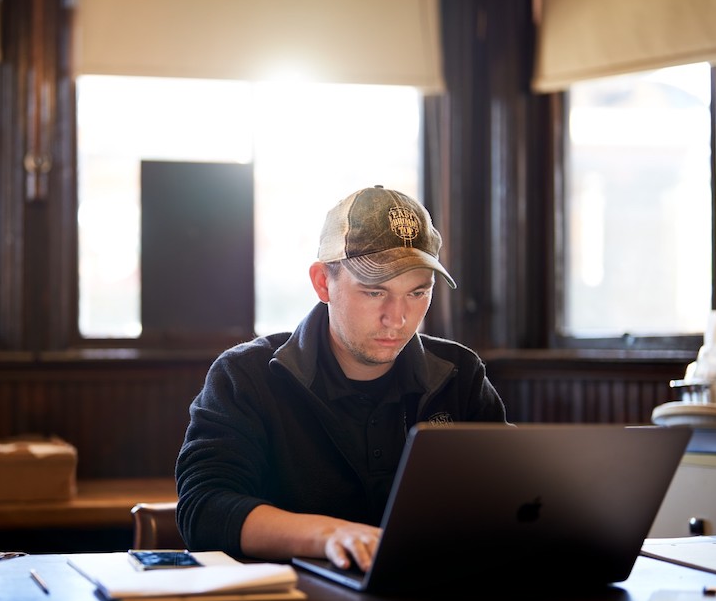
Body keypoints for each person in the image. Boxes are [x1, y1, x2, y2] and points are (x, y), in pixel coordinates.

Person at [175, 185, 507, 572]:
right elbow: (204, 510)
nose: (397, 318)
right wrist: (332, 535)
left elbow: (509, 497)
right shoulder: (246, 376)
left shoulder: (460, 375)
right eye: (373, 292)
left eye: (417, 292)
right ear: (322, 282)